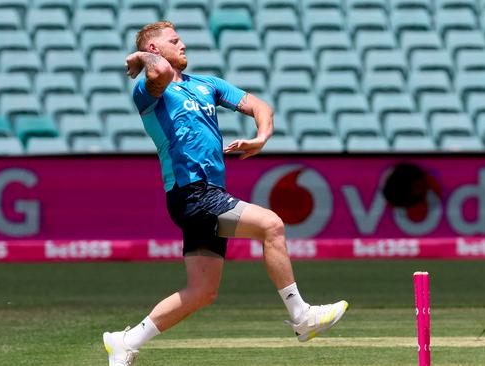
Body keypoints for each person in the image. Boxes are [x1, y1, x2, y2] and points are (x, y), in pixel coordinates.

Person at [103, 21, 348, 366]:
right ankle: (301, 316)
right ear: (155, 50)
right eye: (174, 41)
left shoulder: (207, 85)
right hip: (192, 192)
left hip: (207, 192)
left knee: (202, 292)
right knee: (271, 225)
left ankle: (126, 341)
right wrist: (141, 57)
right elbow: (157, 72)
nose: (183, 44)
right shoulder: (147, 90)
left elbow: (261, 107)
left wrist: (261, 137)